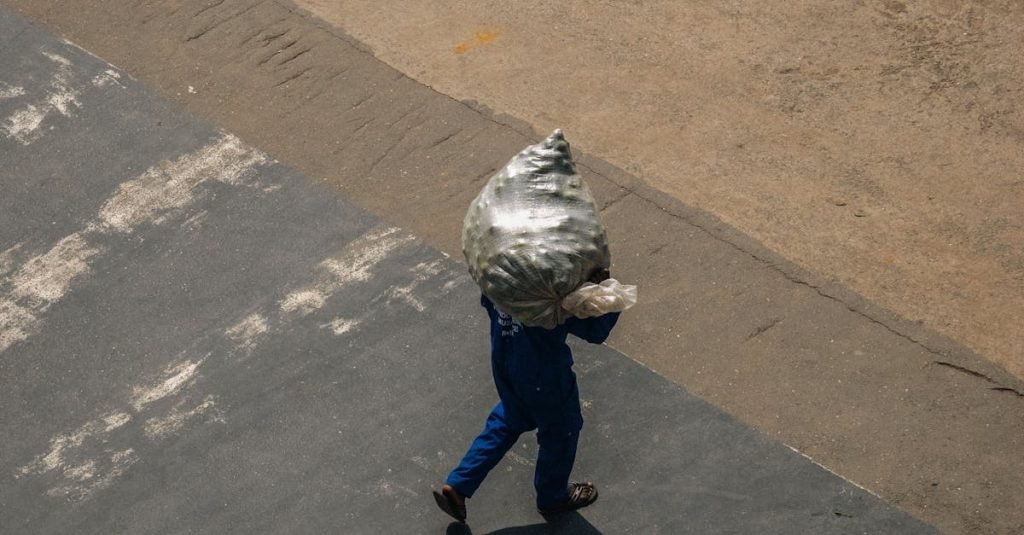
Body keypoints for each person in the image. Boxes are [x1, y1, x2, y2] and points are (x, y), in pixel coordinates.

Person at [433, 269, 620, 523]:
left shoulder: (501, 278)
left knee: (508, 420)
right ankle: (552, 497)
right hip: (544, 377)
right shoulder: (550, 294)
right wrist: (608, 294)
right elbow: (595, 331)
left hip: (506, 364)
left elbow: (487, 301)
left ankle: (459, 484)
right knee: (561, 431)